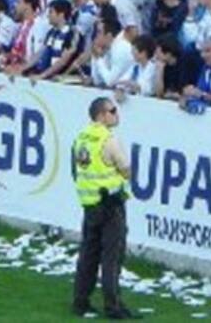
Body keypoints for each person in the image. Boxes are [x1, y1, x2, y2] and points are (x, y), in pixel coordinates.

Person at [71, 96, 134, 320]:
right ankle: (113, 305)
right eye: (112, 110)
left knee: (88, 254)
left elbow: (75, 169)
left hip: (89, 204)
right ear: (101, 115)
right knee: (112, 257)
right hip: (110, 204)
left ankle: (80, 301)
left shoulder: (81, 137)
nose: (116, 114)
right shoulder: (109, 140)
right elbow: (126, 169)